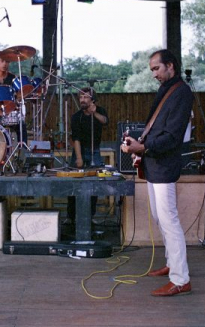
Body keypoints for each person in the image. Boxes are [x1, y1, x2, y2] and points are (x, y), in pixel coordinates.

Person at [121, 50, 193, 297]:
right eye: (152, 70)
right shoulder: (168, 90)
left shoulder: (182, 92)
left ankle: (181, 278)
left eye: (156, 69)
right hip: (154, 162)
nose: (153, 74)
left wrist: (144, 146)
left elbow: (173, 135)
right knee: (159, 217)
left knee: (169, 219)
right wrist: (138, 144)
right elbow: (157, 128)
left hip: (164, 164)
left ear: (170, 66)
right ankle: (172, 264)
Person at [67, 87, 109, 224]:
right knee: (74, 183)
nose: (82, 100)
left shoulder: (100, 111)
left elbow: (105, 121)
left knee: (94, 184)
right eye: (80, 97)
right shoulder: (76, 117)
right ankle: (71, 217)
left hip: (94, 151)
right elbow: (76, 138)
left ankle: (89, 217)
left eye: (85, 97)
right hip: (79, 150)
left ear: (92, 99)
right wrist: (79, 157)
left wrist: (94, 113)